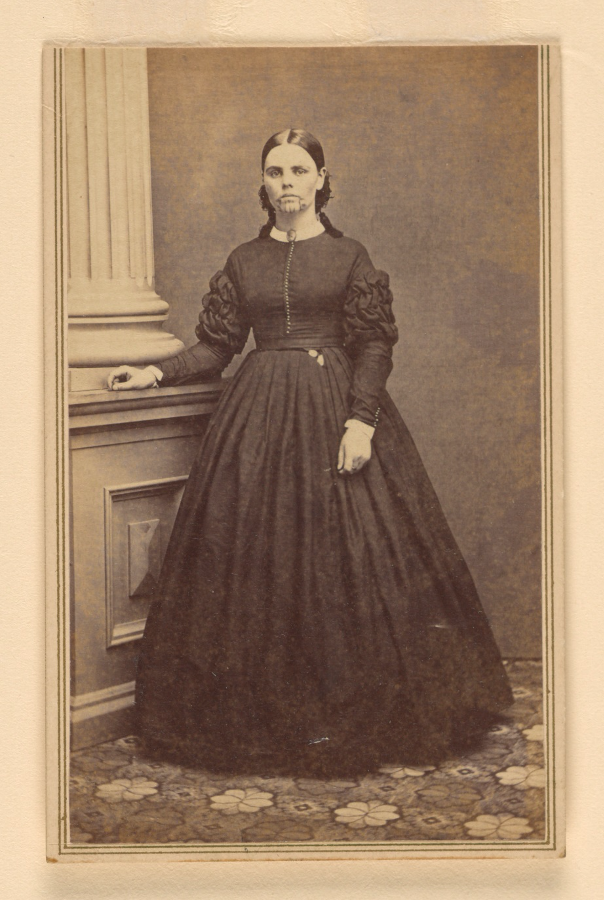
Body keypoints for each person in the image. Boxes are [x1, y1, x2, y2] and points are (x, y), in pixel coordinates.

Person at [108, 128, 513, 777]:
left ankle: (351, 714)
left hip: (334, 414)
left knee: (343, 558)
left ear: (322, 179)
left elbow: (374, 346)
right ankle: (261, 716)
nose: (288, 182)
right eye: (276, 171)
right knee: (250, 564)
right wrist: (154, 373)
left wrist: (360, 421)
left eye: (300, 169)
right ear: (263, 183)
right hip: (257, 423)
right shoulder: (244, 260)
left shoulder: (350, 256)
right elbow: (217, 347)